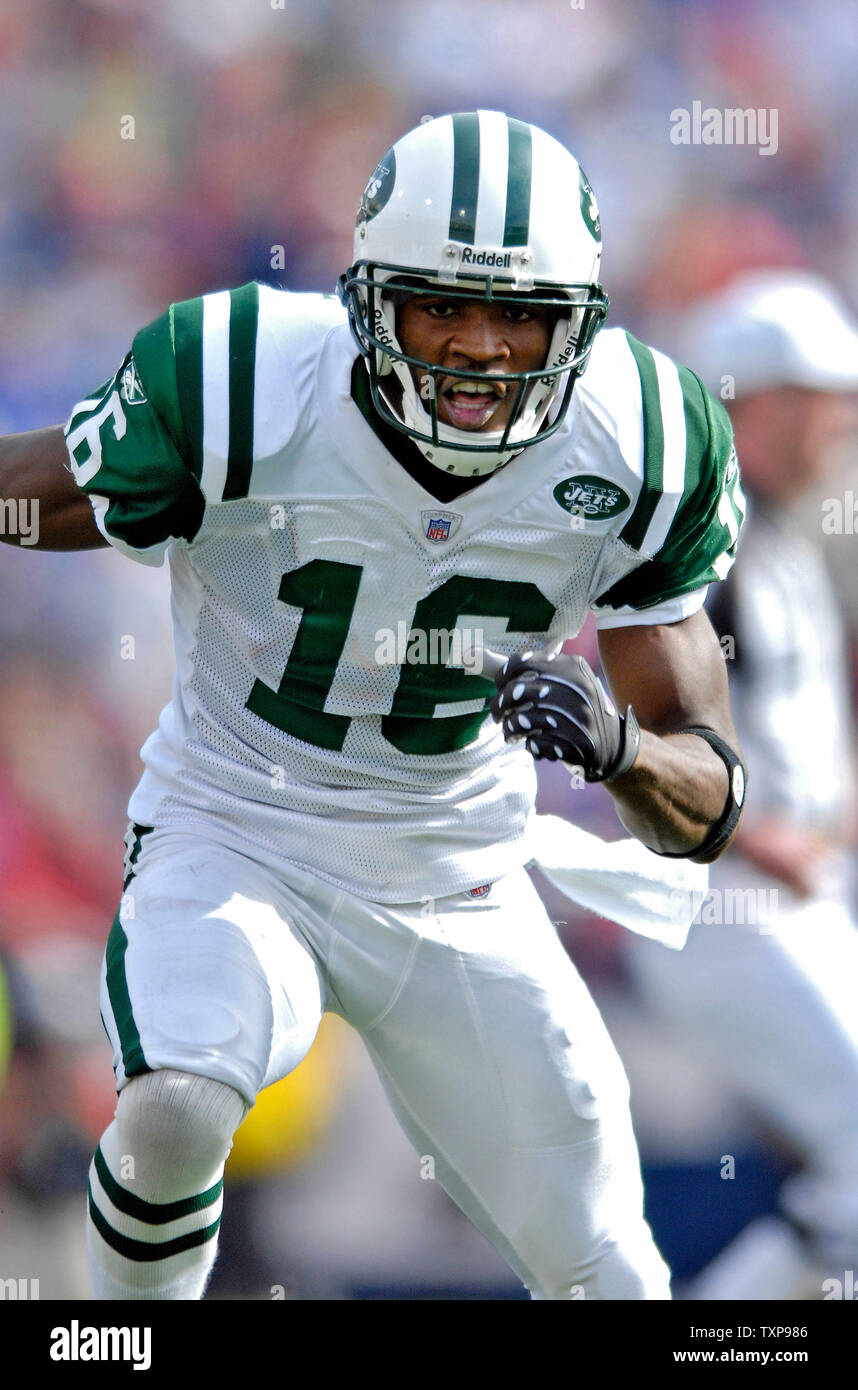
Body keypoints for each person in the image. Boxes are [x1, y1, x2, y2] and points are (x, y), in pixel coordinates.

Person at [0, 110, 745, 1301]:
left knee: (609, 1269)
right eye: (442, 305)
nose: (481, 350)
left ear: (579, 326)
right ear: (366, 300)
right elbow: (44, 489)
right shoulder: (245, 379)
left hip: (456, 866)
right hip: (240, 823)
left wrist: (616, 748)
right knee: (177, 1103)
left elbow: (703, 809)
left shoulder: (644, 438)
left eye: (519, 315)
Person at [626, 270, 858, 1299]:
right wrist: (764, 835)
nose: (841, 421)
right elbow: (644, 728)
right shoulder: (703, 545)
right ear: (750, 400)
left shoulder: (787, 546)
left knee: (846, 1183)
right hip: (729, 905)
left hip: (794, 903)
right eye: (819, 397)